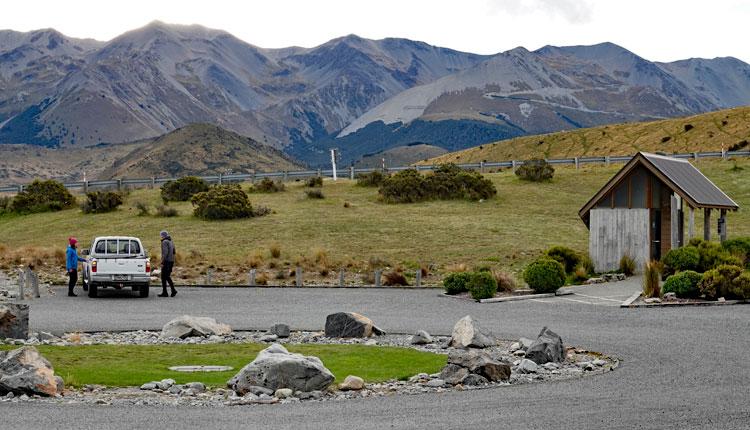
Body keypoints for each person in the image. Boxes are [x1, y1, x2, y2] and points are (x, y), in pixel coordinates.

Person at [158, 230, 177, 297]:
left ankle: (168, 291)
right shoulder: (171, 241)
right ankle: (170, 291)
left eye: (161, 235)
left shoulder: (164, 242)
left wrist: (162, 262)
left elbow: (165, 253)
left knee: (164, 276)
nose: (160, 236)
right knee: (166, 276)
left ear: (163, 235)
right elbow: (174, 252)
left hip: (166, 262)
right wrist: (172, 260)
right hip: (171, 261)